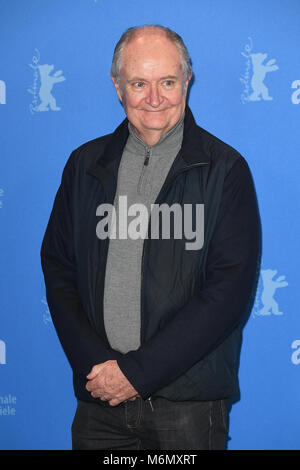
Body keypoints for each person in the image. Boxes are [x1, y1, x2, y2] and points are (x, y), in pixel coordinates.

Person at [41, 25, 261, 450]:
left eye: (167, 82)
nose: (155, 98)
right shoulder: (83, 166)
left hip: (188, 407)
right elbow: (59, 268)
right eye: (139, 83)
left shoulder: (225, 170)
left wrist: (138, 374)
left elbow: (228, 292)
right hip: (99, 400)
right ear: (117, 87)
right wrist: (99, 369)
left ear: (187, 81)